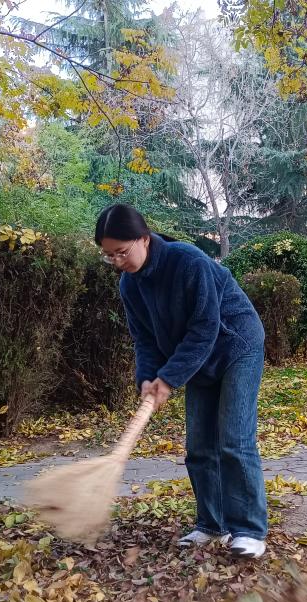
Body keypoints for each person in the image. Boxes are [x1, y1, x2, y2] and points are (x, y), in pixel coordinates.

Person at [96, 204, 269, 558]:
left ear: (144, 239)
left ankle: (249, 530)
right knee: (199, 446)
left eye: (121, 252)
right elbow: (144, 339)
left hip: (236, 346)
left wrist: (170, 377)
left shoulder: (188, 262)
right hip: (197, 360)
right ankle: (212, 524)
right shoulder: (130, 285)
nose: (117, 261)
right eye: (109, 255)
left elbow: (205, 328)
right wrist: (148, 378)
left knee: (234, 440)